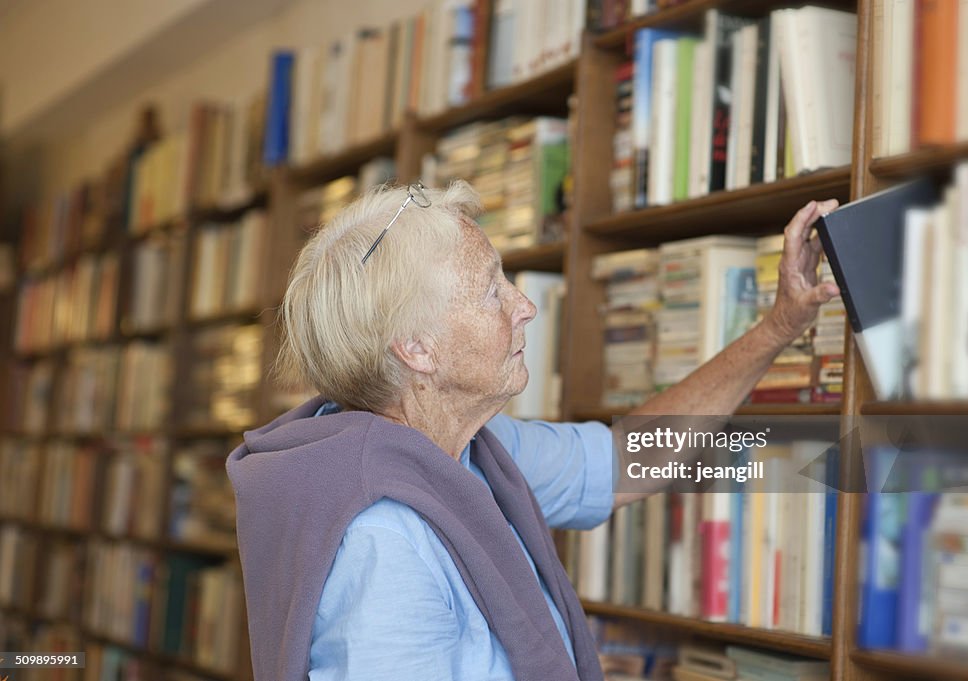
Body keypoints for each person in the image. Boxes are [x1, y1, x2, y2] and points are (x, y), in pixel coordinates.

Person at [226, 180, 839, 681]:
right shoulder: (381, 535)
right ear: (416, 348)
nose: (525, 305)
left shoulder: (472, 452)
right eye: (490, 289)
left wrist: (779, 326)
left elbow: (632, 458)